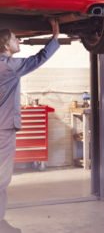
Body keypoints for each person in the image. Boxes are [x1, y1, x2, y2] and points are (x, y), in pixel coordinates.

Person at [0, 19, 60, 228]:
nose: (19, 40)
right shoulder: (9, 66)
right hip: (3, 130)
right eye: (15, 38)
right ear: (6, 45)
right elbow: (38, 59)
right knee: (2, 179)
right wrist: (54, 37)